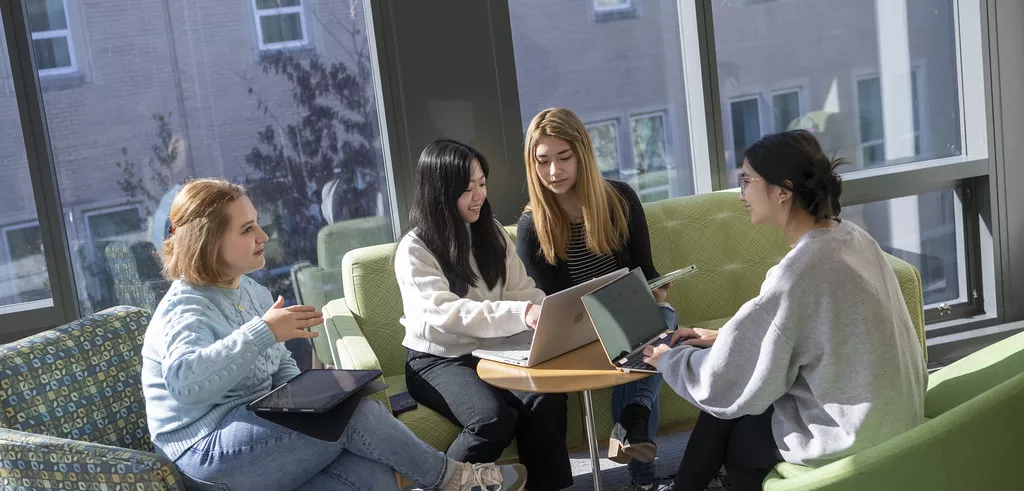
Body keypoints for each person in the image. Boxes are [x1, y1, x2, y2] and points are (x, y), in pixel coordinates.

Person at [141, 178, 526, 491]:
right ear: (209, 241)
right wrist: (264, 333)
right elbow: (185, 384)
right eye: (246, 229)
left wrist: (311, 398)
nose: (263, 235)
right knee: (354, 413)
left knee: (373, 475)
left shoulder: (249, 290)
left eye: (256, 222)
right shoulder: (185, 308)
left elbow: (278, 373)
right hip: (206, 457)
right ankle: (453, 480)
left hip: (255, 435)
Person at [643, 130, 927, 491]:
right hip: (893, 415)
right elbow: (806, 330)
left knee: (735, 429)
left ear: (783, 190)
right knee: (737, 399)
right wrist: (721, 337)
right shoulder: (852, 238)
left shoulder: (799, 272)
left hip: (852, 435)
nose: (741, 193)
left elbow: (721, 381)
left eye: (746, 181)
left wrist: (670, 358)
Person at [398, 139, 574, 491]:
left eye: (481, 183)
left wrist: (542, 312)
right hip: (438, 359)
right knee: (491, 420)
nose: (478, 195)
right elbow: (448, 313)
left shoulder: (490, 232)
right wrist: (521, 312)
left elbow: (522, 290)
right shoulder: (415, 249)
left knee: (546, 397)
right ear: (439, 192)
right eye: (467, 189)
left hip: (496, 349)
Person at [516, 107, 675, 491]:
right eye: (543, 161)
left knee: (663, 315)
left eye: (563, 157)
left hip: (630, 320)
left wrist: (658, 287)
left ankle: (631, 430)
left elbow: (647, 270)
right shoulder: (531, 227)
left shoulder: (620, 199)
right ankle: (639, 455)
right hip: (579, 334)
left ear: (583, 154)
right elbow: (553, 303)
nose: (553, 171)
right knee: (654, 332)